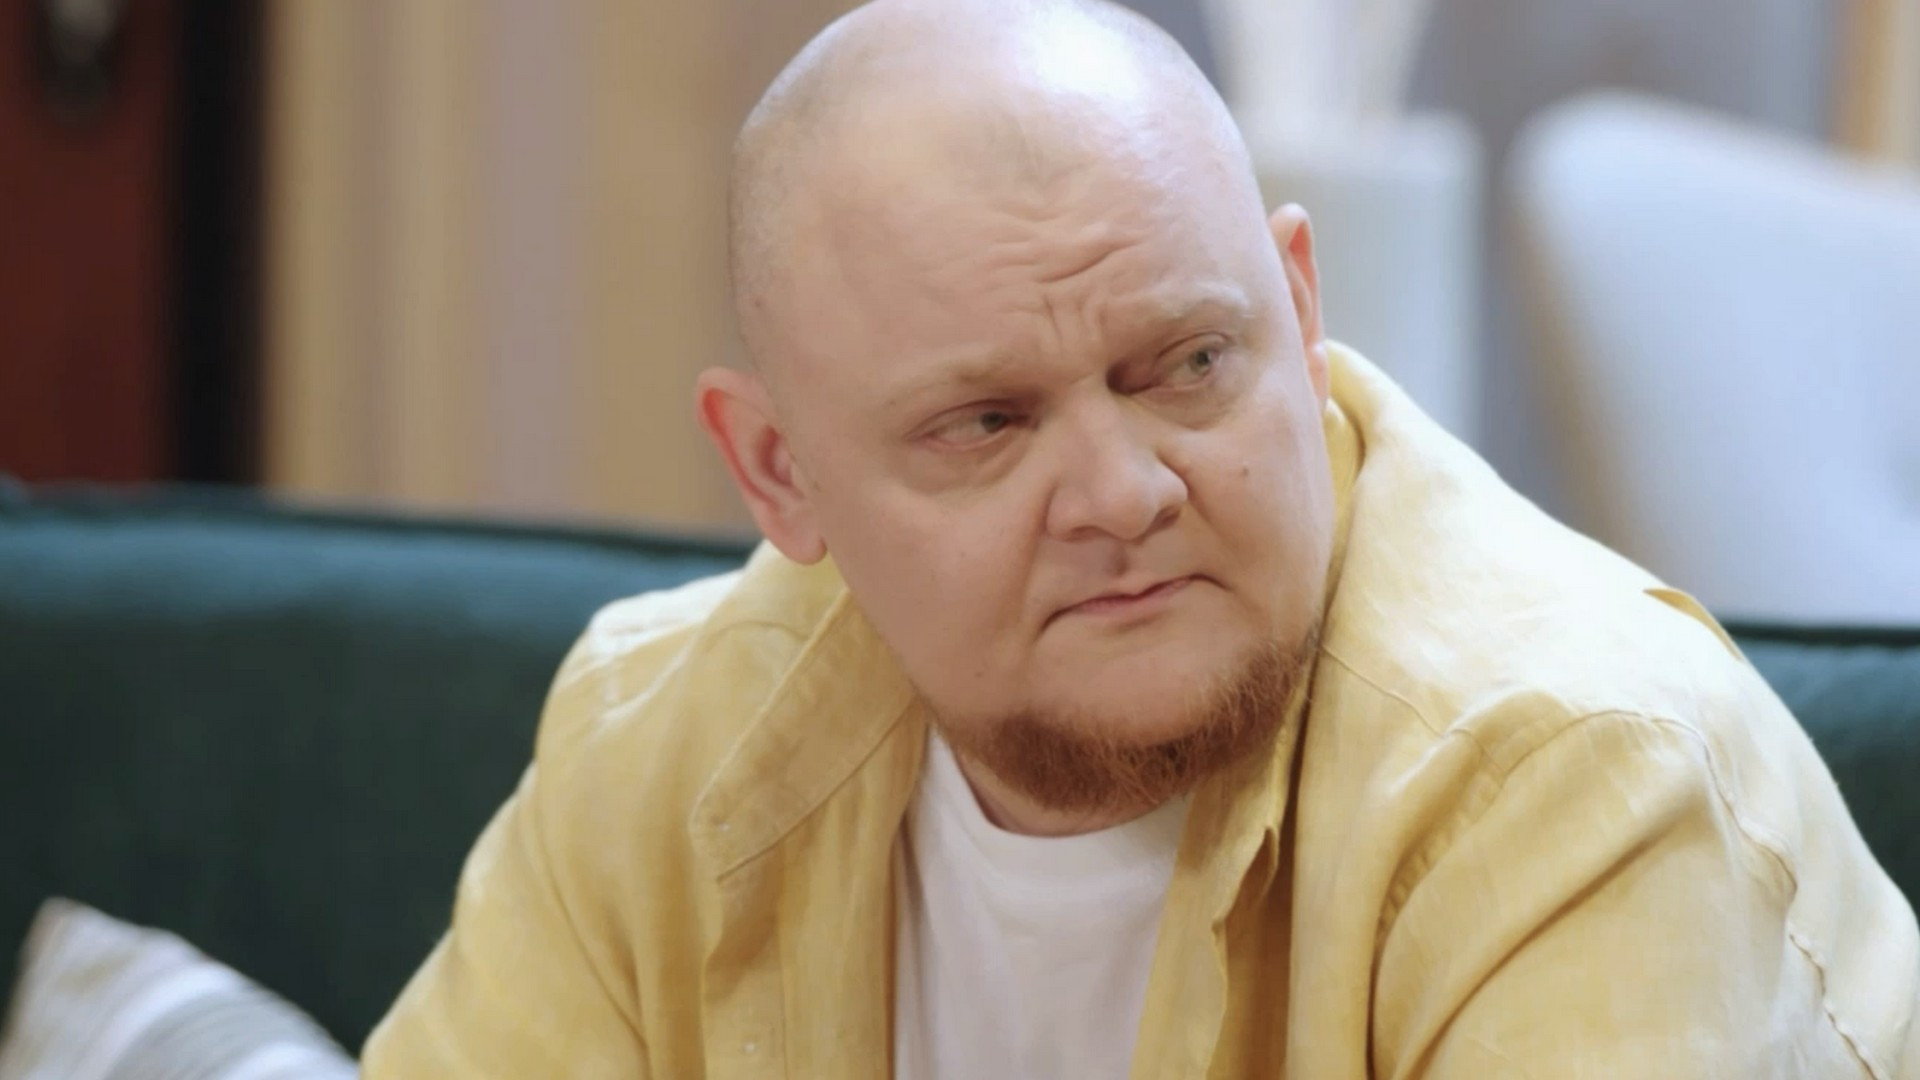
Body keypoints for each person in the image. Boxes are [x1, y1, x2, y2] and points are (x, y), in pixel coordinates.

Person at [361, 0, 1920, 1075]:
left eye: (1184, 365)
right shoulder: (656, 745)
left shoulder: (1576, 780)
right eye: (986, 424)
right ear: (779, 474)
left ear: (1298, 307)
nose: (1123, 493)